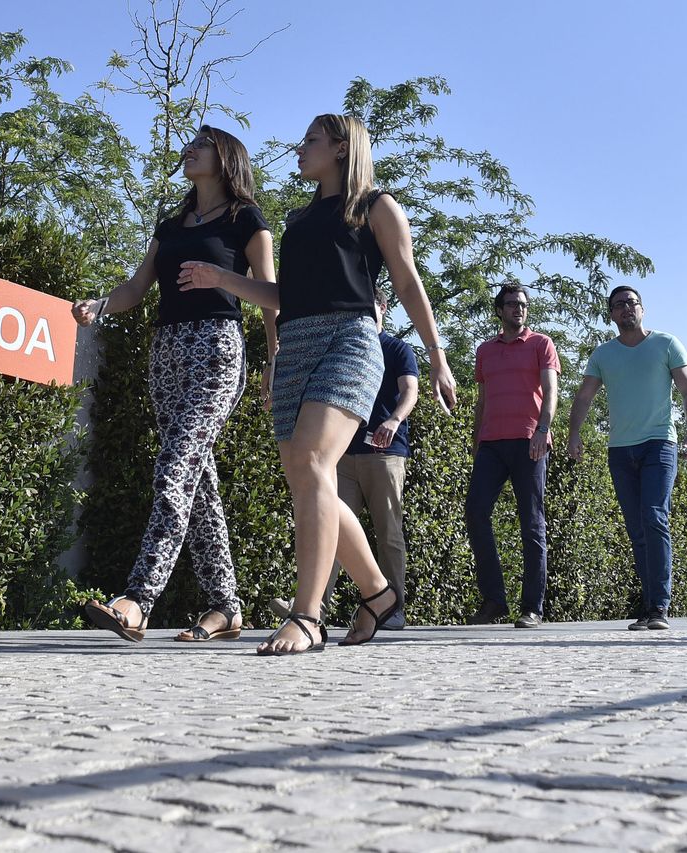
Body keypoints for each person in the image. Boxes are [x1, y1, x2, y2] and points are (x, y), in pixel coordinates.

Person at [179, 113, 457, 654]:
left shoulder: (376, 206)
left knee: (312, 464)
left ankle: (308, 616)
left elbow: (406, 278)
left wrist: (438, 356)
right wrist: (222, 279)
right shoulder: (299, 217)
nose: (299, 148)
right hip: (296, 344)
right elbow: (287, 296)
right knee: (311, 482)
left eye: (310, 140)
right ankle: (378, 594)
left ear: (340, 147)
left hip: (351, 340)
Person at [77, 126, 270, 644]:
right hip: (166, 352)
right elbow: (137, 288)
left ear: (226, 157)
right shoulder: (170, 224)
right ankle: (225, 607)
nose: (189, 150)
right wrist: (99, 304)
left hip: (217, 349)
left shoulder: (246, 219)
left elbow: (273, 296)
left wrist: (274, 359)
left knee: (175, 465)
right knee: (197, 482)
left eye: (201, 144)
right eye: (190, 143)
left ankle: (138, 598)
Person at [268, 290, 417, 630]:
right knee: (324, 516)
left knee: (388, 533)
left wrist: (393, 421)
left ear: (382, 309)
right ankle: (315, 605)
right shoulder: (329, 340)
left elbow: (410, 390)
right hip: (345, 453)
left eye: (375, 305)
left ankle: (393, 607)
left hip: (385, 455)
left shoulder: (396, 349)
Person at [567, 285, 687, 631]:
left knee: (654, 516)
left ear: (642, 309)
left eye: (632, 303)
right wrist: (574, 433)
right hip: (620, 449)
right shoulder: (603, 354)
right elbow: (584, 397)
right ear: (611, 314)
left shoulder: (666, 344)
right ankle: (649, 606)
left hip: (660, 443)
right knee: (637, 528)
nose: (626, 308)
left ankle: (659, 606)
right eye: (619, 305)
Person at [465, 284, 560, 628]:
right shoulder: (485, 350)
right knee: (475, 512)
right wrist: (476, 441)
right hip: (491, 443)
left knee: (531, 522)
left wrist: (541, 431)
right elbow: (482, 399)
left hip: (528, 441)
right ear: (499, 310)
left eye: (522, 304)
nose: (518, 309)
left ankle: (532, 607)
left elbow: (551, 391)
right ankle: (494, 601)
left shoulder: (541, 344)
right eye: (511, 304)